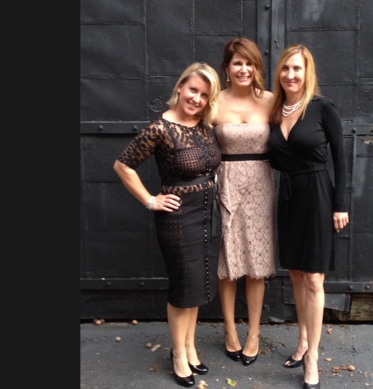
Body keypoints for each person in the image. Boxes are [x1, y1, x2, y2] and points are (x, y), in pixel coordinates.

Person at [113, 62, 222, 388]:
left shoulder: (204, 125)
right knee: (183, 286)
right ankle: (178, 354)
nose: (197, 99)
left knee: (198, 284)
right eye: (193, 90)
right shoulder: (159, 129)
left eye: (204, 95)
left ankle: (189, 347)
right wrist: (150, 200)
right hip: (178, 218)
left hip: (208, 213)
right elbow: (122, 165)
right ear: (180, 87)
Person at [267, 44, 349, 389]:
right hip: (288, 197)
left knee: (314, 278)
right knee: (296, 274)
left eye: (297, 68)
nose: (291, 75)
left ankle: (312, 356)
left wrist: (340, 204)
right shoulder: (274, 110)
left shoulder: (322, 108)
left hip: (317, 195)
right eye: (286, 68)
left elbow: (341, 159)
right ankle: (302, 340)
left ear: (307, 72)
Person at [213, 37, 276, 367]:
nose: (243, 69)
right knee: (228, 263)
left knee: (256, 263)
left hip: (260, 185)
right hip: (225, 184)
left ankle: (253, 333)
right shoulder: (214, 101)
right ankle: (230, 330)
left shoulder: (270, 100)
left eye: (249, 63)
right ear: (226, 67)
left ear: (257, 67)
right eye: (237, 62)